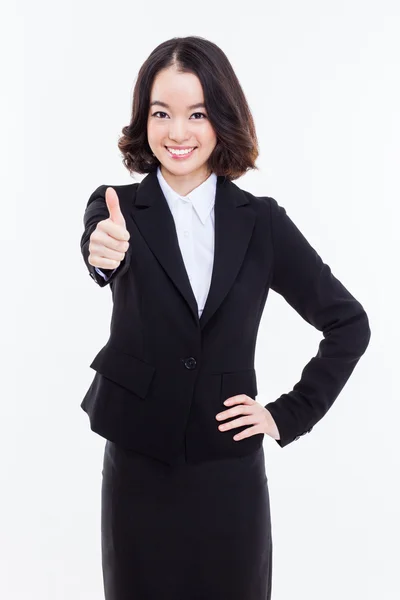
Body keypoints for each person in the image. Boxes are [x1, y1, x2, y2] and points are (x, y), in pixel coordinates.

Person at [80, 36, 371, 600]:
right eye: (162, 113)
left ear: (223, 120)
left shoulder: (260, 222)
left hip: (228, 472)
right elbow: (98, 247)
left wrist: (286, 415)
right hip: (138, 468)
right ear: (145, 119)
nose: (178, 133)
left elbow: (349, 324)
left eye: (198, 114)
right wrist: (102, 250)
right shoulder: (116, 206)